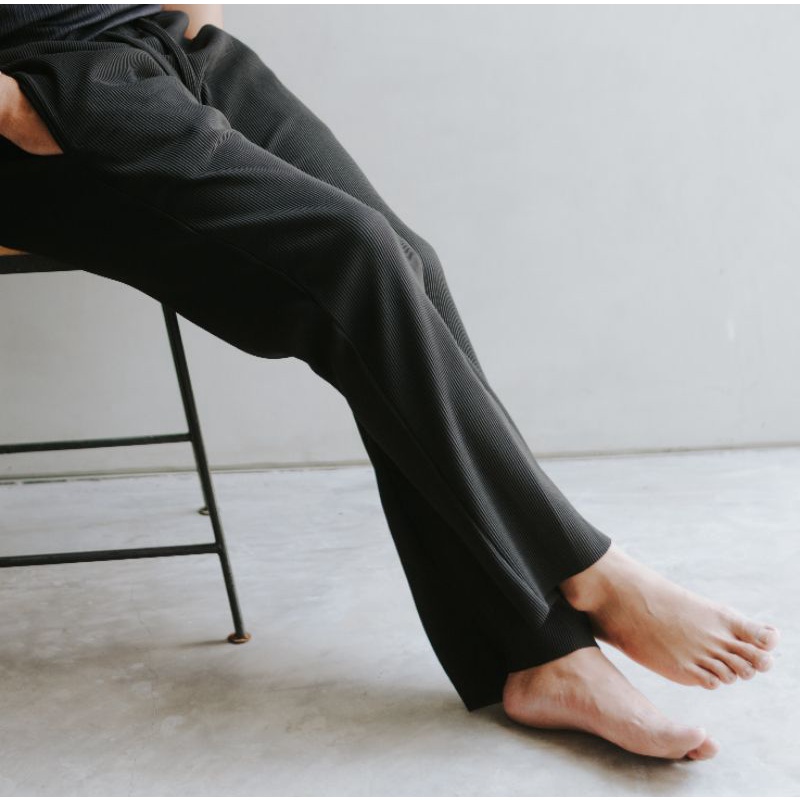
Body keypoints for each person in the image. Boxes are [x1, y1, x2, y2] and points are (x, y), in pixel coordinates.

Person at [0, 4, 779, 762]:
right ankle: (585, 573)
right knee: (357, 261)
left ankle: (545, 660)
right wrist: (14, 106)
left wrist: (192, 21)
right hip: (31, 97)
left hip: (162, 45)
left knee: (407, 264)